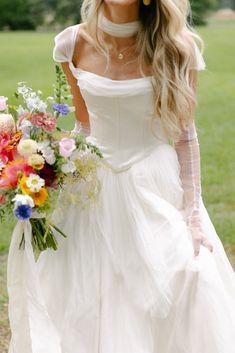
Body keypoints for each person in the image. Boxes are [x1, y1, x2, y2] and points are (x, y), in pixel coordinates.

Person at [7, 0, 235, 352]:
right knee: (92, 294)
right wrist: (40, 165)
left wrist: (192, 213)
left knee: (183, 275)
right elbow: (84, 124)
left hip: (154, 179)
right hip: (92, 184)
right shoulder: (71, 43)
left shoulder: (178, 47)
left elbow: (186, 135)